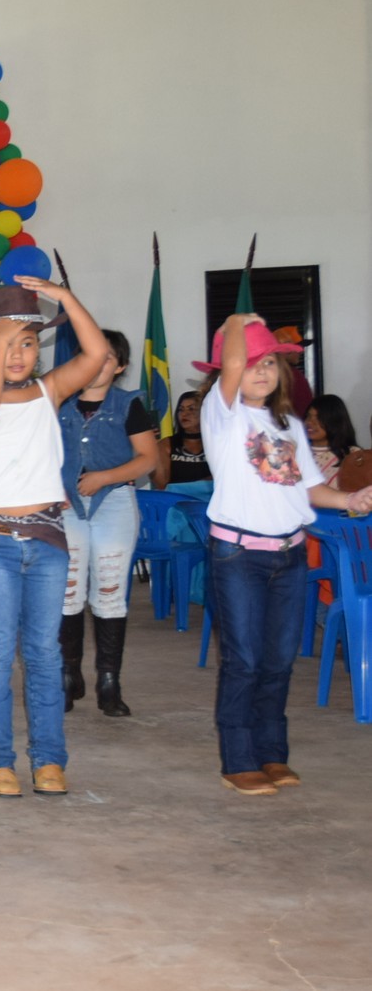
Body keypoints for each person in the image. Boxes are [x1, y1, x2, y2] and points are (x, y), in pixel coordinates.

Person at [203, 317, 372, 795]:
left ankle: (272, 754)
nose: (261, 371)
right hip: (239, 554)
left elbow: (311, 489)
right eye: (252, 363)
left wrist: (350, 500)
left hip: (289, 555)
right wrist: (237, 321)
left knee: (278, 660)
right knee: (244, 660)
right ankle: (238, 760)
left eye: (270, 362)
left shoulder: (291, 426)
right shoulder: (224, 415)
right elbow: (233, 363)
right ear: (227, 371)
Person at [0, 278, 108, 800]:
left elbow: (97, 353)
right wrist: (0, 332)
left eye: (28, 343)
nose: (17, 353)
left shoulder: (50, 391)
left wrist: (65, 299)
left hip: (46, 541)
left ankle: (49, 759)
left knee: (45, 654)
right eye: (5, 343)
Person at [58, 330, 160, 719]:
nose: (97, 363)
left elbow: (147, 458)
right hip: (66, 504)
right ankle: (68, 674)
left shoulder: (128, 404)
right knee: (67, 591)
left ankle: (108, 681)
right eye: (89, 354)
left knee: (110, 588)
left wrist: (105, 477)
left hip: (113, 500)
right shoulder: (59, 402)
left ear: (119, 366)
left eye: (106, 358)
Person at [152, 390, 210, 487]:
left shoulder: (216, 443)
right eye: (181, 409)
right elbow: (161, 484)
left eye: (191, 409)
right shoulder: (166, 444)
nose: (184, 414)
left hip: (210, 500)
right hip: (176, 500)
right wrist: (152, 446)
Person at [303, 394, 359, 488]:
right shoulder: (294, 453)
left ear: (334, 422)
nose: (310, 422)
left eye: (318, 418)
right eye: (308, 416)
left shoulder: (353, 455)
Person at [269, 326, 314, 417]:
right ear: (286, 350)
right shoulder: (294, 376)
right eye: (297, 347)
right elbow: (305, 410)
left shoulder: (267, 375)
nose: (301, 351)